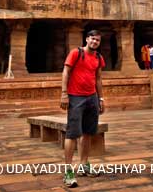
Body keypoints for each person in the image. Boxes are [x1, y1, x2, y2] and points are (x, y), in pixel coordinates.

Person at [61, 30, 105, 188]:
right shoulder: (76, 53)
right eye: (92, 39)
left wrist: (100, 98)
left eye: (98, 40)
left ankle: (84, 164)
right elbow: (66, 71)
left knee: (88, 132)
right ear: (87, 39)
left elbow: (98, 78)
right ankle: (68, 171)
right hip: (75, 97)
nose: (94, 42)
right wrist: (64, 94)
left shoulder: (99, 57)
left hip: (91, 97)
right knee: (72, 134)